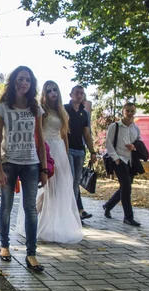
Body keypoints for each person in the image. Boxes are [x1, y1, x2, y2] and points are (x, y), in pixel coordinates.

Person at [0, 66, 48, 272]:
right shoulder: (2, 107)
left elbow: (40, 141)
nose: (23, 83)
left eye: (27, 80)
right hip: (9, 163)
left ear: (31, 83)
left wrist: (43, 169)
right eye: (20, 78)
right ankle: (4, 246)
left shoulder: (35, 108)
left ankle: (31, 254)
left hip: (31, 165)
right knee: (6, 206)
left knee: (31, 208)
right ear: (13, 80)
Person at [16, 81, 83, 243]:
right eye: (49, 90)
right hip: (45, 149)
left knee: (59, 188)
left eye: (55, 89)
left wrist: (65, 156)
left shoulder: (62, 111)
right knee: (44, 187)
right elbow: (35, 132)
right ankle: (33, 222)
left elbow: (64, 135)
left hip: (59, 150)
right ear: (44, 94)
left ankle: (52, 224)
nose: (53, 92)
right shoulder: (41, 111)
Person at [103, 103, 142, 226]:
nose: (130, 113)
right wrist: (116, 159)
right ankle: (128, 217)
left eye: (132, 111)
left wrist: (134, 147)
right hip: (119, 160)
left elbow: (139, 143)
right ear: (123, 111)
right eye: (127, 110)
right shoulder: (115, 126)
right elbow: (108, 143)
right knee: (126, 187)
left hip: (131, 161)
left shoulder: (135, 128)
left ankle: (108, 205)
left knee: (125, 187)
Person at [65, 85, 97, 221]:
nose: (79, 95)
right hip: (68, 149)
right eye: (77, 93)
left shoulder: (85, 113)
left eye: (82, 93)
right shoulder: (65, 109)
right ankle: (74, 211)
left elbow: (87, 133)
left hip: (80, 150)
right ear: (71, 94)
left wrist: (92, 151)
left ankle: (77, 211)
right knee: (71, 179)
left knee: (76, 181)